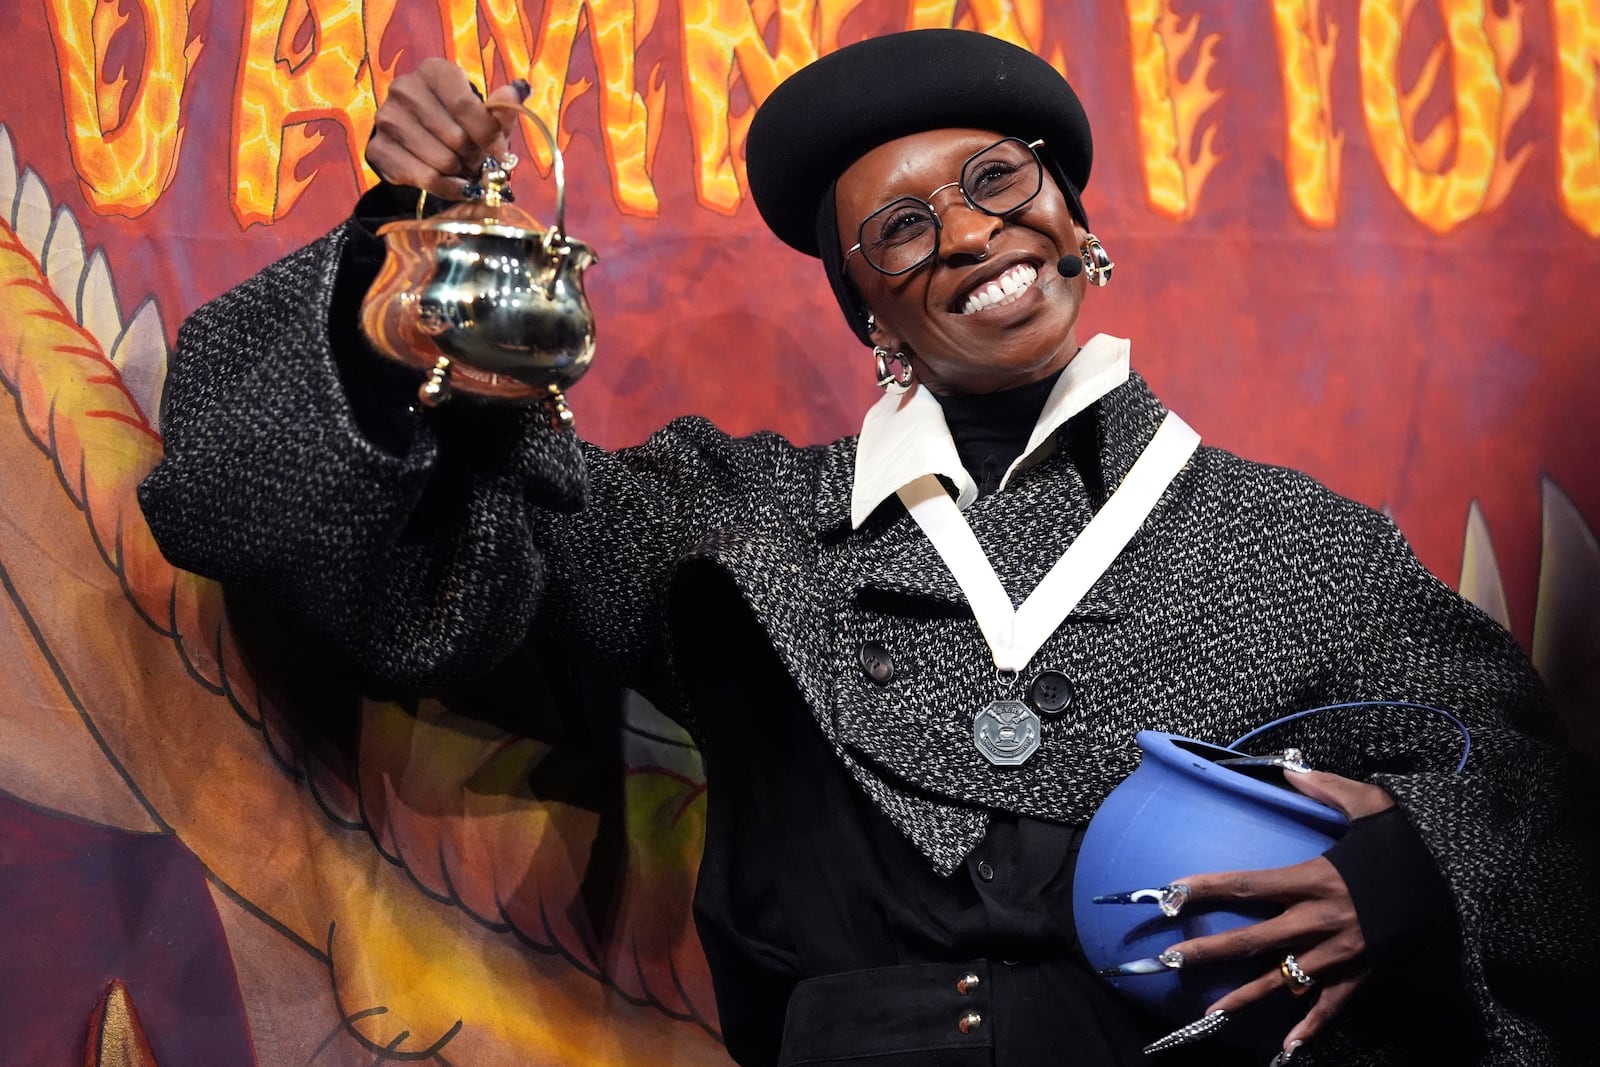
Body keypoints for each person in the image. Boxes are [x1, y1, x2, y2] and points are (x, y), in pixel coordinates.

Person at [138, 29, 1592, 1067]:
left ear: (1081, 229)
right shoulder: (738, 520)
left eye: (1000, 184)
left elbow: (1533, 823)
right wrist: (416, 253)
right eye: (901, 232)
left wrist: (1404, 885)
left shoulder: (1300, 542)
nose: (968, 234)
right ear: (873, 323)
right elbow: (320, 531)